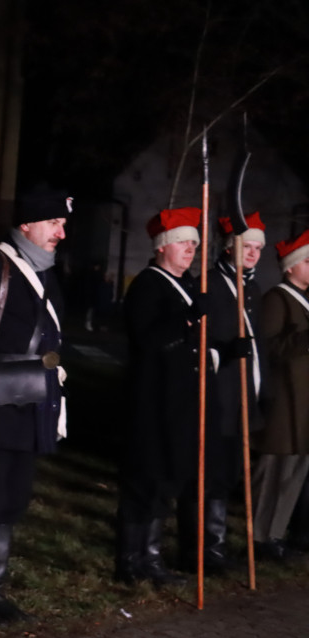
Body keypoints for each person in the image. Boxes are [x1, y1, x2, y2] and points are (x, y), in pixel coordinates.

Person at [0, 186, 69, 625]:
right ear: (27, 225)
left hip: (34, 399)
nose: (61, 232)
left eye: (62, 224)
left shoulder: (47, 272)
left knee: (14, 499)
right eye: (54, 223)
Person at [114, 207, 212, 588]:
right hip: (151, 401)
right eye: (183, 243)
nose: (190, 250)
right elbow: (149, 339)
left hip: (179, 400)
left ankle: (151, 556)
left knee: (167, 479)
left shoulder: (186, 285)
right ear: (162, 247)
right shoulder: (148, 285)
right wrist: (186, 319)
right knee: (145, 478)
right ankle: (129, 560)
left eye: (193, 244)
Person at [178, 213, 266, 574]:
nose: (254, 254)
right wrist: (224, 352)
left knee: (229, 475)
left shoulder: (254, 290)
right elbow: (198, 342)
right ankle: (199, 549)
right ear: (231, 246)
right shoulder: (210, 285)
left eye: (260, 249)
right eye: (249, 247)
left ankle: (217, 543)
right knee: (208, 475)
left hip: (245, 399)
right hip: (218, 398)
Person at [251, 228, 309, 560]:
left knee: (294, 474)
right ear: (291, 266)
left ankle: (275, 534)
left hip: (301, 403)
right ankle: (259, 536)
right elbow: (270, 347)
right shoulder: (277, 299)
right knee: (273, 472)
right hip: (284, 403)